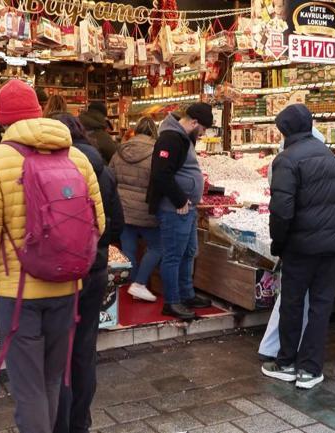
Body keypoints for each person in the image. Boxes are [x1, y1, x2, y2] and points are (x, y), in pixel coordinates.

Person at [0, 79, 105, 433]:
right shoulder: (77, 155)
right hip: (67, 288)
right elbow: (98, 224)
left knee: (28, 388)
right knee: (51, 380)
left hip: (18, 295)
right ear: (39, 111)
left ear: (1, 119)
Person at [261, 104, 335, 389]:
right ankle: (310, 369)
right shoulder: (328, 156)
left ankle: (286, 362)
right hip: (331, 246)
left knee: (292, 304)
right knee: (321, 306)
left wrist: (278, 244)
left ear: (284, 130)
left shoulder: (286, 160)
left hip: (300, 247)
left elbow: (282, 210)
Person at [49, 113, 124, 433]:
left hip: (61, 274)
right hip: (95, 267)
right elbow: (115, 223)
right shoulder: (102, 170)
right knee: (83, 350)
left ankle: (59, 423)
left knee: (57, 352)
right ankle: (80, 421)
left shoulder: (48, 169)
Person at [147, 103, 214, 320]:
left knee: (188, 252)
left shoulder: (183, 138)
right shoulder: (170, 138)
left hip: (186, 208)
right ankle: (172, 302)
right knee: (174, 255)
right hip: (174, 209)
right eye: (202, 129)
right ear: (194, 123)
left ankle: (187, 294)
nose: (202, 134)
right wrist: (180, 199)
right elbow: (161, 174)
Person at [110, 117, 161, 302]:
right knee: (157, 247)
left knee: (128, 248)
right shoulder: (156, 151)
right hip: (146, 210)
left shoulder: (120, 150)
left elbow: (111, 176)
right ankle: (139, 283)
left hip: (123, 208)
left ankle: (133, 283)